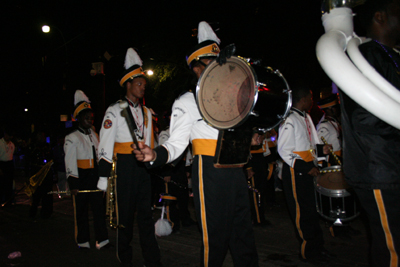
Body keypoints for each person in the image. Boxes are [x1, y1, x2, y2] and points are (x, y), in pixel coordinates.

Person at [134, 21, 259, 267]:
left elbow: (240, 132)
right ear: (197, 69)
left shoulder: (235, 98)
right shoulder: (188, 101)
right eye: (211, 64)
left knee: (243, 236)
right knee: (216, 240)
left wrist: (252, 137)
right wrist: (155, 155)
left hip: (236, 169)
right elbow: (176, 144)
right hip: (210, 170)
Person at [339, 0, 400, 266]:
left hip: (389, 166)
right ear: (380, 16)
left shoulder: (391, 55)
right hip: (382, 169)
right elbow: (366, 119)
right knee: (393, 250)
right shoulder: (366, 55)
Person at [96, 48, 161, 267]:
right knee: (124, 218)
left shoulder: (147, 112)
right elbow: (105, 143)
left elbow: (151, 142)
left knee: (145, 217)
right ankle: (125, 259)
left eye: (144, 84)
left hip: (142, 168)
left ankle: (152, 260)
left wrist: (154, 164)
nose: (143, 88)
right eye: (139, 84)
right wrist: (103, 176)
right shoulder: (114, 110)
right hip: (123, 166)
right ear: (128, 84)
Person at [277, 86, 334, 264]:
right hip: (296, 171)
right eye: (310, 98)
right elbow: (284, 150)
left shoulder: (306, 117)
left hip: (308, 169)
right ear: (302, 100)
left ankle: (318, 247)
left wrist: (321, 150)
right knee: (302, 213)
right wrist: (304, 166)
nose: (312, 101)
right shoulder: (290, 119)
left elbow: (311, 144)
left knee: (312, 210)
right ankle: (308, 252)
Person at [64, 90, 109, 250]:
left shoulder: (95, 135)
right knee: (81, 212)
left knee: (99, 210)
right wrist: (73, 183)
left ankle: (102, 239)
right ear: (79, 119)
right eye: (86, 117)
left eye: (91, 117)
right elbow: (69, 162)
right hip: (81, 178)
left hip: (95, 178)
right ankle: (82, 240)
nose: (90, 120)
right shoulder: (72, 137)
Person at [316, 93, 342, 161]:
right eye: (336, 107)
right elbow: (320, 148)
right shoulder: (324, 126)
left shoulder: (334, 123)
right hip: (332, 163)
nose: (338, 109)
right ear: (329, 110)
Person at [0, 127, 15, 207]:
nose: (8, 137)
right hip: (2, 164)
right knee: (1, 184)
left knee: (9, 184)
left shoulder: (12, 144)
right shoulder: (0, 143)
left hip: (9, 164)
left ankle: (8, 202)